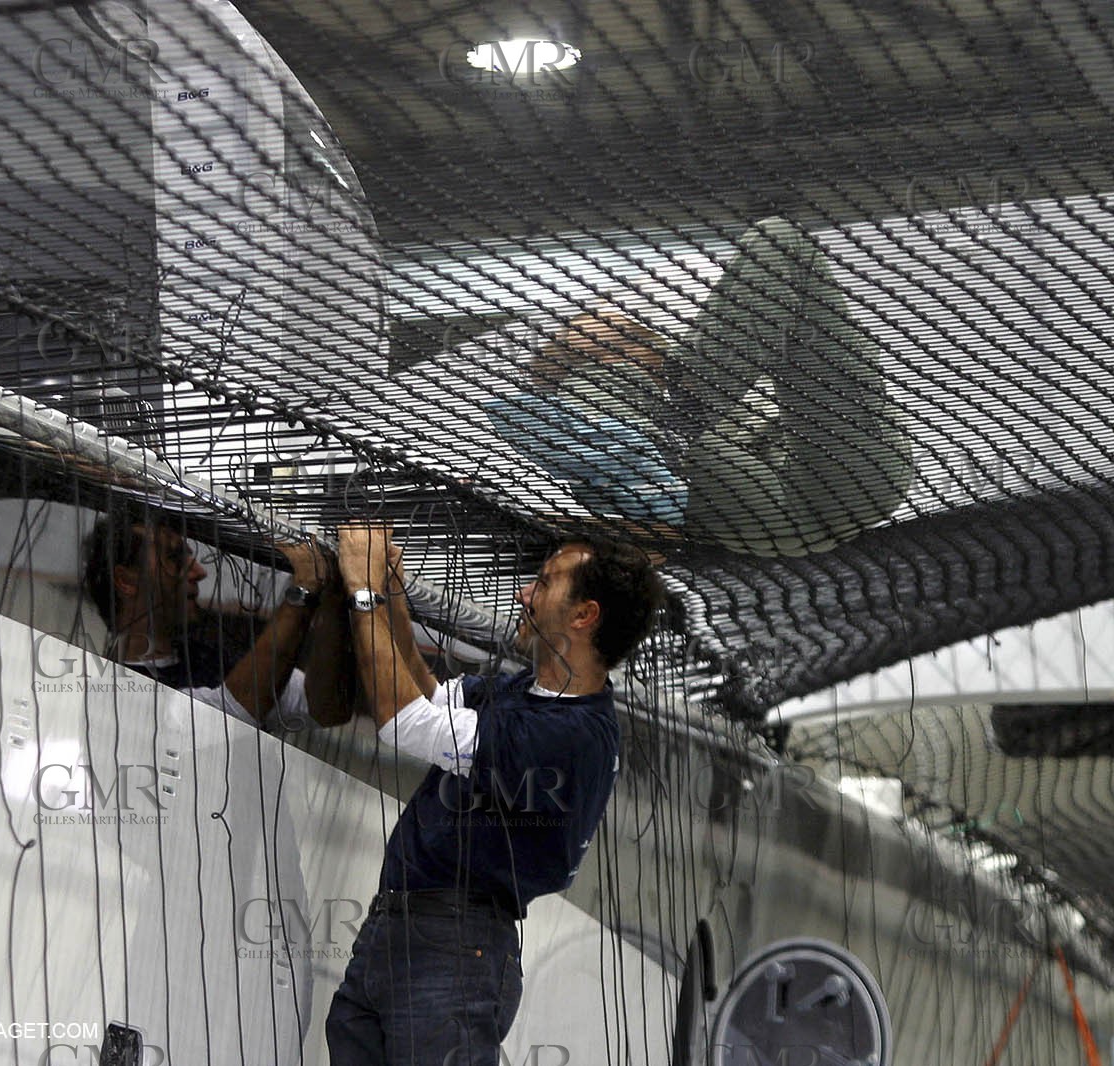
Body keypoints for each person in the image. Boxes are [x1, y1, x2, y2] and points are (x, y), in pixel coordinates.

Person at [325, 525, 666, 1065]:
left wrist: (363, 591)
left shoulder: (569, 734)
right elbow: (432, 699)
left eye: (545, 583)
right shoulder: (524, 692)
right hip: (408, 928)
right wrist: (389, 594)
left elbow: (406, 722)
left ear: (583, 616)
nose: (524, 595)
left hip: (454, 944)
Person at [484, 217, 916, 556]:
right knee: (781, 242)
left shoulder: (703, 362)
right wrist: (553, 364)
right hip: (758, 506)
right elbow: (533, 405)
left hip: (824, 470)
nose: (603, 328)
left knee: (780, 241)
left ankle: (678, 412)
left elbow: (634, 340)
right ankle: (674, 420)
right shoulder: (586, 403)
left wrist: (607, 344)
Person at [82, 506, 352, 730]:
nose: (199, 572)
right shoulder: (119, 695)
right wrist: (303, 588)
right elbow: (232, 712)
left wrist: (334, 600)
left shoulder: (211, 659)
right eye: (175, 559)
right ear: (126, 580)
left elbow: (325, 709)